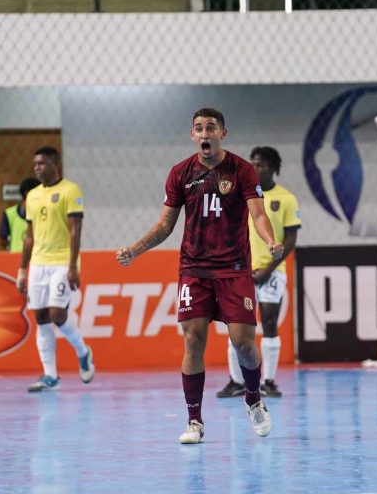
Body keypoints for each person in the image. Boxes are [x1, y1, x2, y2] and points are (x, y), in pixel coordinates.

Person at [116, 108, 285, 444]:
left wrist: (269, 240)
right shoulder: (180, 173)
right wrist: (135, 250)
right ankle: (195, 421)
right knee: (192, 340)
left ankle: (253, 398)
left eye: (211, 127)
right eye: (198, 128)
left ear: (223, 132)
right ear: (192, 136)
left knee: (244, 343)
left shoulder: (242, 170)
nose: (204, 133)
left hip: (234, 268)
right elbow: (165, 225)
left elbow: (257, 213)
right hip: (194, 269)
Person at [217, 146, 301, 399]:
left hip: (271, 272)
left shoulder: (286, 198)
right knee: (235, 326)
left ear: (274, 168)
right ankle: (236, 381)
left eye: (262, 164)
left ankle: (269, 381)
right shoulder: (240, 195)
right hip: (240, 269)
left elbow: (291, 238)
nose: (256, 168)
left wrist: (269, 268)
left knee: (269, 322)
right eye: (253, 163)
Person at [16, 146, 94, 392]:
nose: (37, 167)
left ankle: (83, 351)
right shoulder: (32, 195)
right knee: (40, 318)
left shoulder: (70, 190)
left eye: (41, 163)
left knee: (58, 315)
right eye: (35, 164)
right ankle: (51, 376)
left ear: (54, 163)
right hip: (39, 263)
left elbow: (75, 229)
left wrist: (73, 266)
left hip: (62, 261)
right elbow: (29, 237)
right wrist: (22, 270)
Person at [0, 177, 41, 252]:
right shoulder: (9, 214)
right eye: (39, 192)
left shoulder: (43, 213)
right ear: (27, 193)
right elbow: (3, 240)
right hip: (15, 258)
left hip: (38, 258)